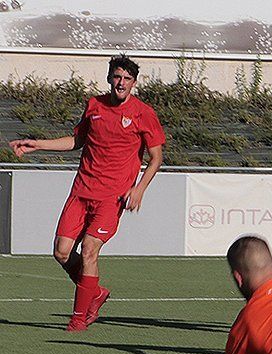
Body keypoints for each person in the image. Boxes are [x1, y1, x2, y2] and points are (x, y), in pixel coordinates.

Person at [8, 55, 165, 331]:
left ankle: (79, 319)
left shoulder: (144, 113)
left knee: (90, 249)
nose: (121, 83)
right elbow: (78, 140)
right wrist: (39, 144)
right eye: (117, 77)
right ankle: (95, 293)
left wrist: (139, 189)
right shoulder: (94, 105)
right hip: (81, 191)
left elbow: (155, 158)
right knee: (61, 252)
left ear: (134, 83)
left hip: (111, 197)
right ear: (109, 78)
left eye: (127, 79)